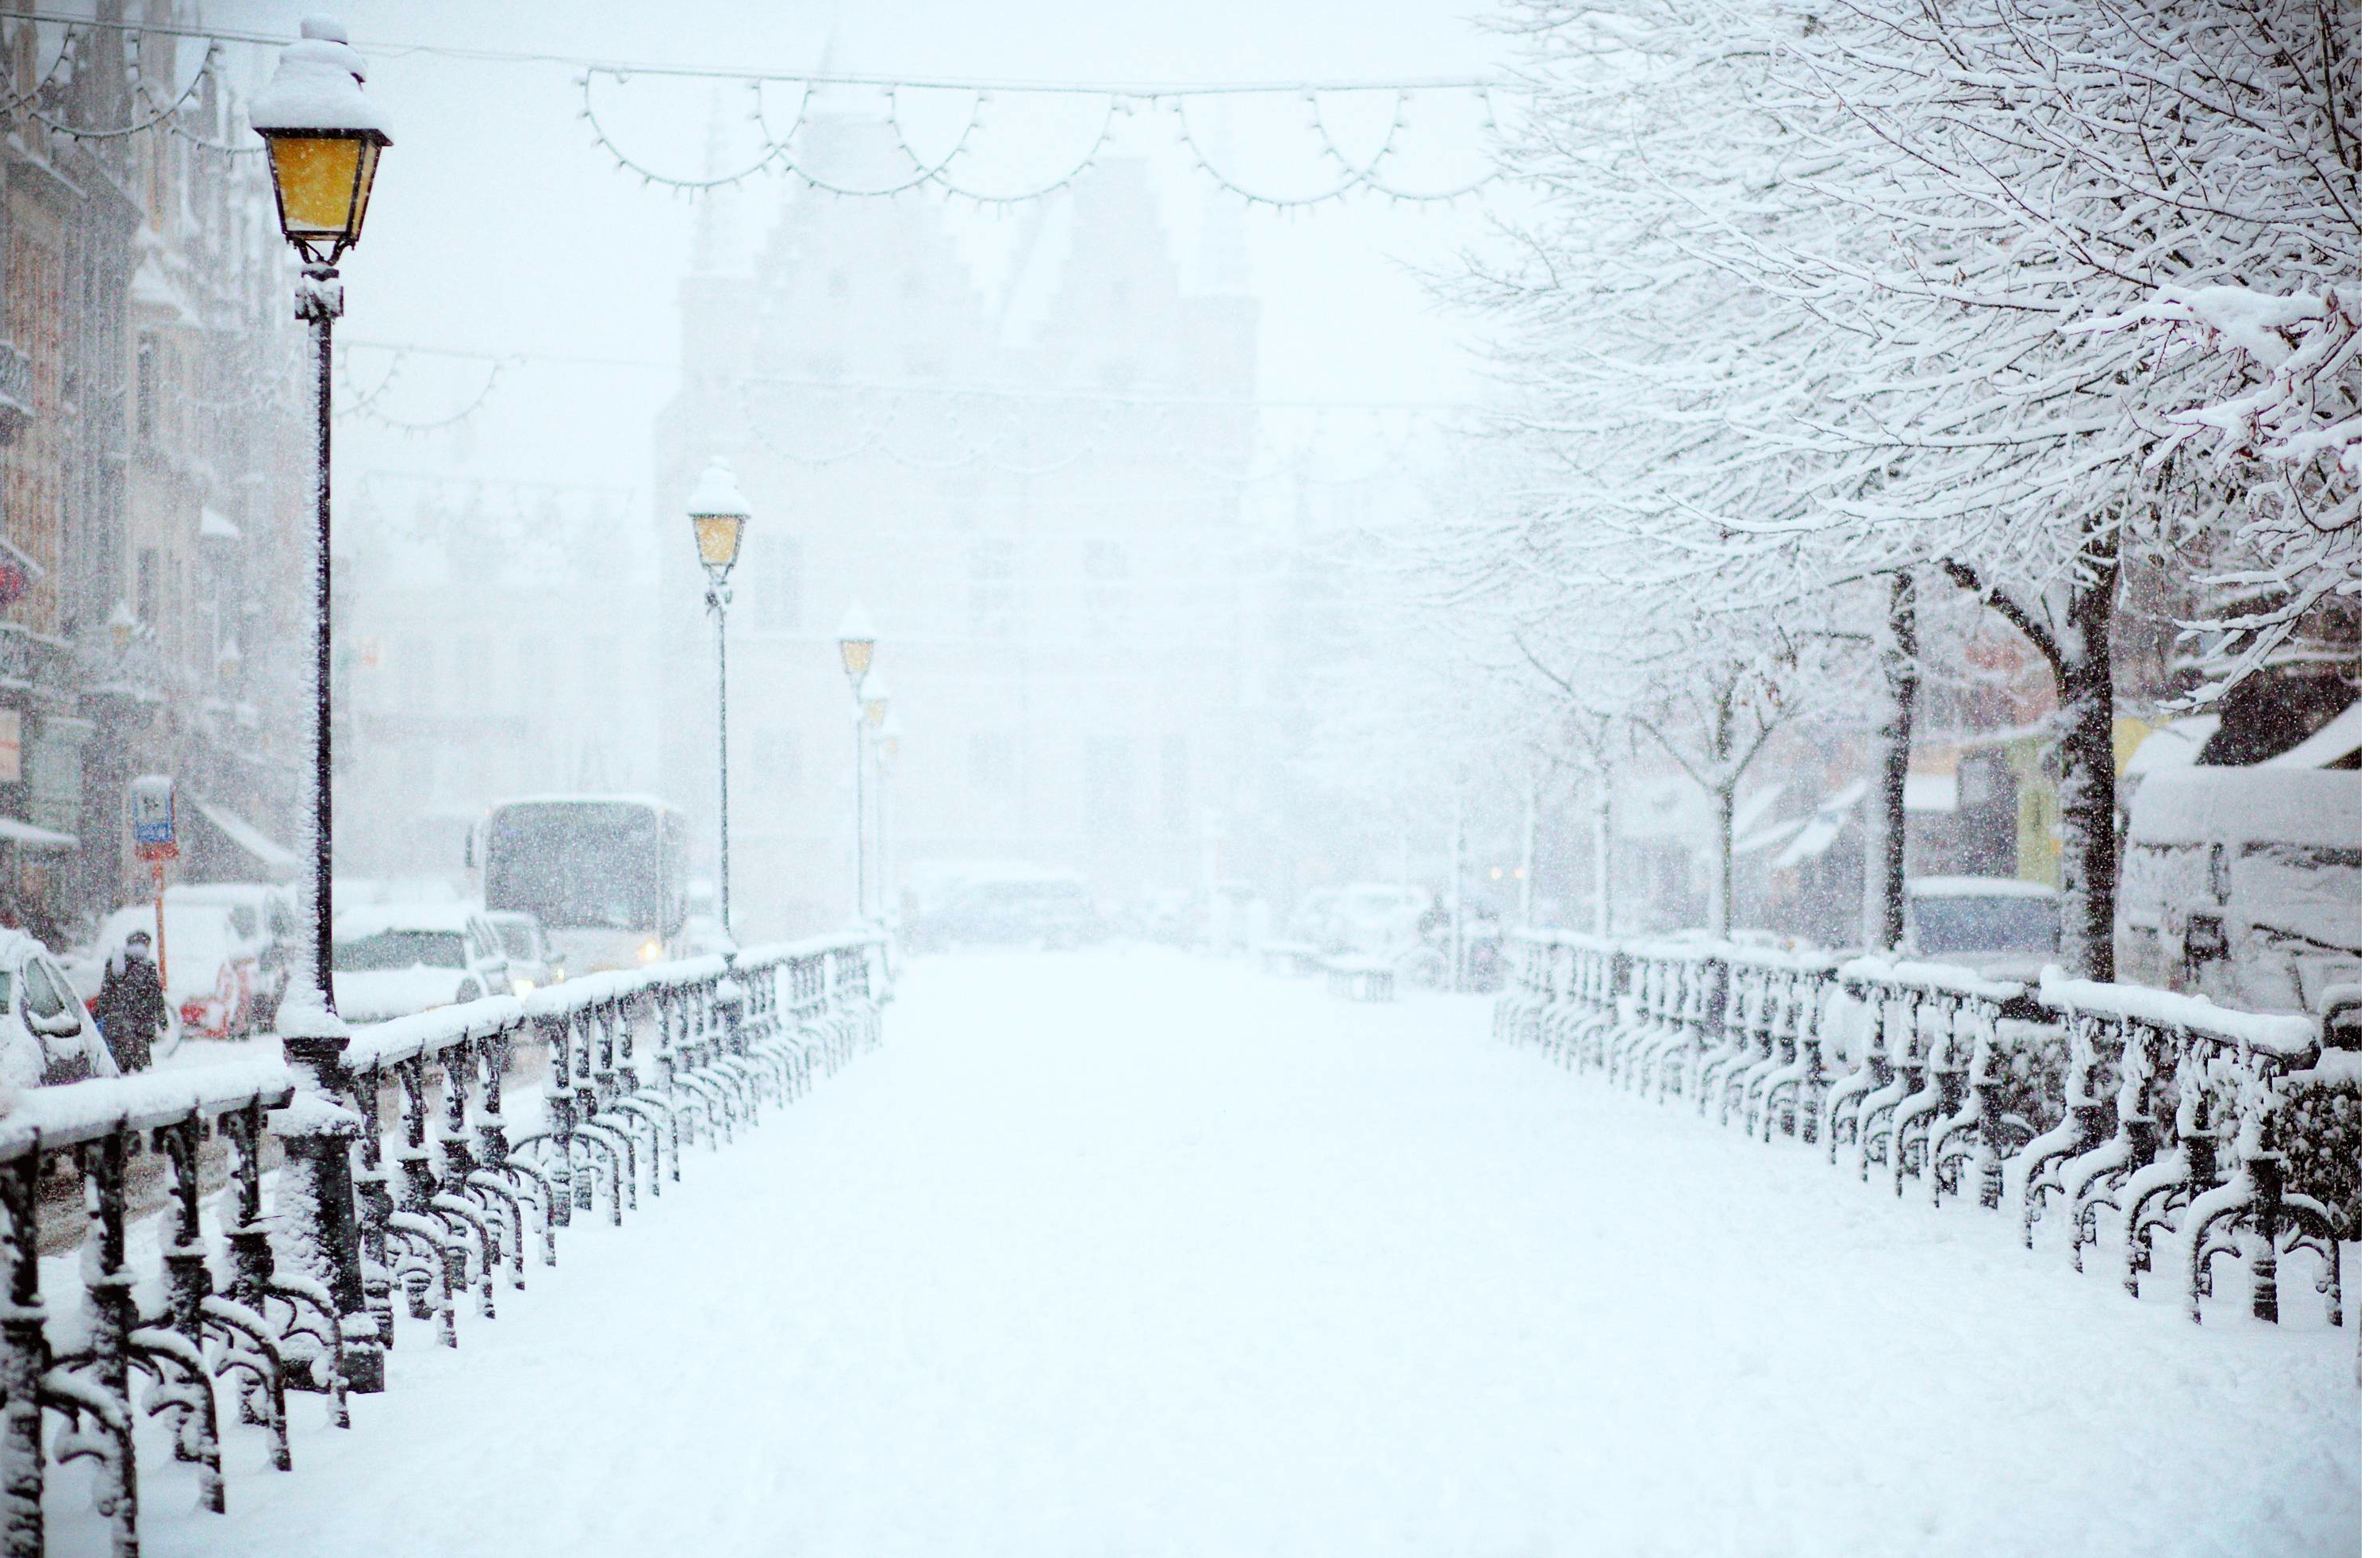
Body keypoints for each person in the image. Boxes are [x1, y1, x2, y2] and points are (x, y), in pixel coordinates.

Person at [96, 930, 169, 1073]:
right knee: (142, 1069)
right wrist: (162, 1021)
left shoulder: (114, 962)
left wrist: (101, 1014)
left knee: (119, 1066)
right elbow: (156, 997)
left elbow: (106, 992)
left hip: (117, 1025)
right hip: (141, 1026)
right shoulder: (148, 966)